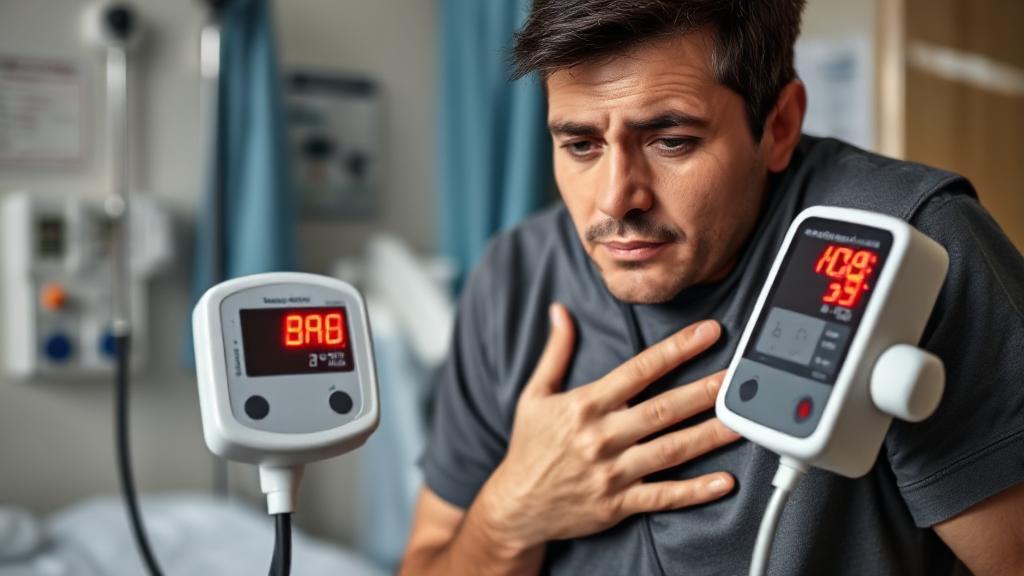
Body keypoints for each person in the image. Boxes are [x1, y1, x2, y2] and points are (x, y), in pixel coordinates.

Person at [400, 1, 1024, 574]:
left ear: (779, 126)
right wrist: (510, 515)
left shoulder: (910, 246)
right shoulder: (514, 276)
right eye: (581, 144)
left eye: (671, 141)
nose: (617, 198)